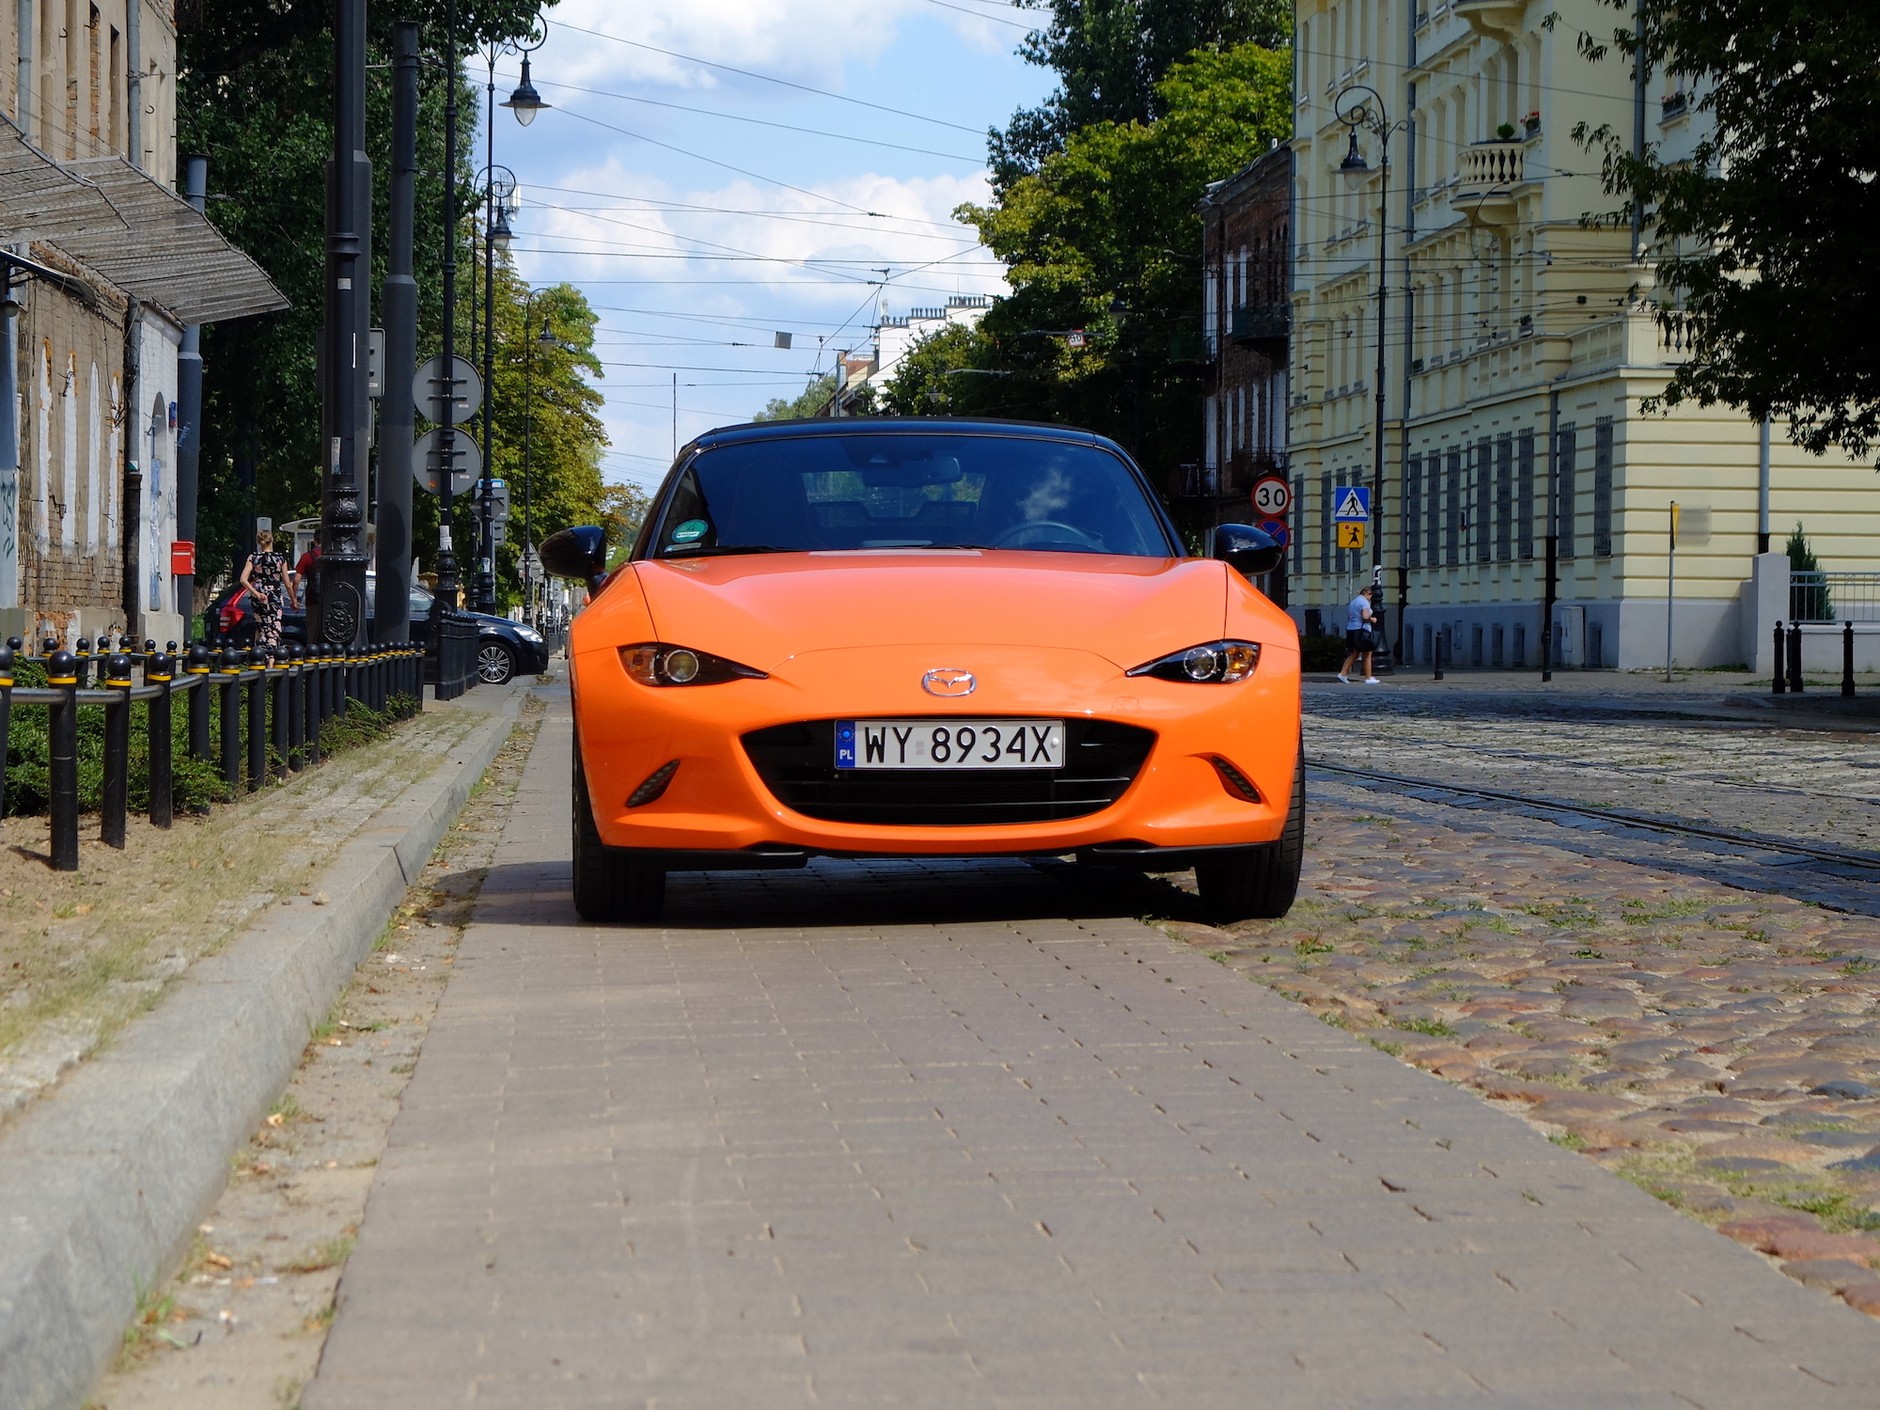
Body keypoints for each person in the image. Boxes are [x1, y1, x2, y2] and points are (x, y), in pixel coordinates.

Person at [239, 527, 297, 665]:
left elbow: (243, 579)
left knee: (262, 627)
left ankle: (260, 658)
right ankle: (271, 659)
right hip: (274, 596)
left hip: (259, 597)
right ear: (272, 540)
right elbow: (288, 584)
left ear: (259, 542)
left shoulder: (254, 558)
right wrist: (293, 600)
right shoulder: (280, 558)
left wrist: (256, 593)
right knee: (274, 626)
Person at [1338, 584, 1381, 684]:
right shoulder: (1364, 603)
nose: (1371, 599)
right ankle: (1369, 677)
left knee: (1354, 653)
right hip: (1362, 630)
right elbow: (1365, 616)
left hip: (1351, 629)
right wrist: (1372, 619)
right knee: (1367, 653)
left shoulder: (1354, 602)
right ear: (1368, 594)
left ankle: (1343, 673)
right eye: (1371, 596)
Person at [294, 540, 321, 611]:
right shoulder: (331, 556)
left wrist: (294, 598)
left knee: (312, 620)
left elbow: (296, 580)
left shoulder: (307, 556)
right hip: (330, 598)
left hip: (312, 599)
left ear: (315, 541)